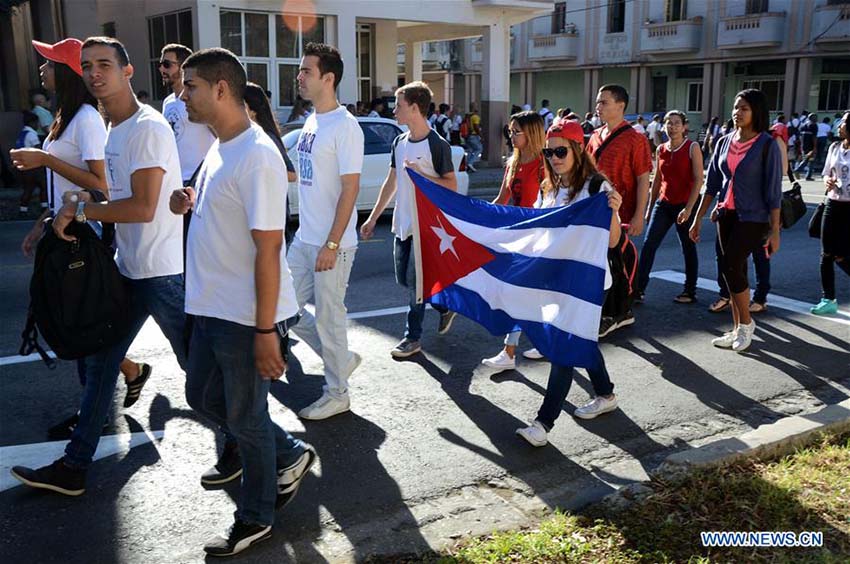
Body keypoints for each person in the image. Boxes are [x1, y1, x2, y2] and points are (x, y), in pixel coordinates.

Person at [9, 36, 192, 495]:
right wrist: (60, 212)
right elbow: (110, 193)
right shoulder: (115, 127)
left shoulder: (147, 128)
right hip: (128, 265)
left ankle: (274, 448)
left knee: (200, 370)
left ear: (128, 71)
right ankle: (75, 466)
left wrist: (82, 211)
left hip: (159, 271)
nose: (94, 73)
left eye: (104, 65)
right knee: (100, 361)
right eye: (88, 65)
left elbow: (144, 207)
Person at [168, 47, 315, 557]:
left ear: (221, 89)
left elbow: (269, 248)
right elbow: (220, 209)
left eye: (190, 86)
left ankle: (255, 517)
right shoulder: (219, 145)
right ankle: (290, 452)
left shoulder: (256, 154)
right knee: (202, 397)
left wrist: (265, 330)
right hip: (209, 306)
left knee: (247, 418)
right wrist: (186, 199)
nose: (182, 94)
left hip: (244, 315)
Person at [9, 37, 151, 439]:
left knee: (82, 322)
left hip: (85, 234)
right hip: (64, 227)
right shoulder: (66, 116)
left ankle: (94, 412)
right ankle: (111, 390)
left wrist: (46, 159)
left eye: (50, 63)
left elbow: (100, 183)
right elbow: (62, 183)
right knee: (80, 324)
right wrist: (43, 217)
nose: (42, 70)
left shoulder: (87, 117)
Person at [515, 117, 622, 447]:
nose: (554, 157)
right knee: (582, 341)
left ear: (577, 149)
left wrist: (614, 212)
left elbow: (613, 241)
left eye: (561, 150)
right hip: (557, 281)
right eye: (549, 152)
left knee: (563, 348)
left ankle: (543, 423)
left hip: (586, 285)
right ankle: (605, 394)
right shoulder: (550, 187)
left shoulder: (595, 188)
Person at [289, 42, 363, 420]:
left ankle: (337, 392)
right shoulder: (312, 119)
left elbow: (350, 189)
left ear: (328, 78)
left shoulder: (345, 127)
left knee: (329, 318)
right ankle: (342, 356)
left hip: (331, 244)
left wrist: (332, 243)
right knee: (282, 311)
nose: (299, 77)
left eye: (306, 71)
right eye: (300, 70)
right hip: (303, 240)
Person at [360, 81, 458, 358]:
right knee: (404, 280)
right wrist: (372, 218)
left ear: (414, 108)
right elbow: (390, 182)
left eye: (399, 106)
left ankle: (411, 338)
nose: (394, 111)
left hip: (427, 228)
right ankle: (444, 304)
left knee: (415, 285)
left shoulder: (437, 145)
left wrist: (420, 175)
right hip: (402, 224)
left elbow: (450, 185)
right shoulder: (399, 142)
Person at [689, 89, 782, 353]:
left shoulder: (767, 145)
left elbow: (774, 192)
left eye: (744, 108)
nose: (737, 113)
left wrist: (775, 231)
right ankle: (736, 328)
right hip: (725, 215)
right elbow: (712, 185)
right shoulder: (723, 141)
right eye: (735, 107)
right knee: (730, 271)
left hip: (753, 217)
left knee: (731, 265)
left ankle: (747, 325)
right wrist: (697, 218)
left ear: (756, 113)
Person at [482, 110, 549, 369]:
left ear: (531, 133)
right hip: (518, 238)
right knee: (527, 295)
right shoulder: (513, 162)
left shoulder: (546, 162)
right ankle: (537, 345)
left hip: (539, 239)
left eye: (516, 131)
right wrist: (478, 219)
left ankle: (510, 352)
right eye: (509, 131)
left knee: (521, 294)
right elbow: (501, 200)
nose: (511, 136)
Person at [586, 84, 652, 335]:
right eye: (598, 102)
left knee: (616, 262)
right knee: (600, 262)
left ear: (620, 106)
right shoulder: (594, 136)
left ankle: (619, 312)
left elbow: (643, 178)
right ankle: (605, 309)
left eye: (603, 102)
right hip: (596, 211)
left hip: (621, 214)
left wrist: (638, 215)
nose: (598, 107)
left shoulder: (636, 139)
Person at [635, 110, 703, 303]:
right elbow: (657, 180)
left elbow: (698, 180)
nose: (672, 127)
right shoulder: (661, 149)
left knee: (687, 247)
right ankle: (638, 290)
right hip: (663, 204)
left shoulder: (692, 147)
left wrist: (689, 208)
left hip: (685, 204)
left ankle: (689, 291)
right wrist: (649, 208)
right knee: (649, 245)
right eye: (669, 123)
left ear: (684, 127)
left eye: (676, 123)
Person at [244, 82, 297, 245]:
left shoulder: (266, 138)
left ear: (252, 110)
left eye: (240, 104)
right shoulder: (245, 137)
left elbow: (291, 174)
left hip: (270, 222)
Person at [159, 43, 215, 186]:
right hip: (174, 180)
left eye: (167, 64)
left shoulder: (198, 99)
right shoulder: (168, 102)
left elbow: (219, 135)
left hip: (198, 180)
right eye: (161, 64)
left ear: (182, 66)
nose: (161, 69)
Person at [811, 112, 850, 316]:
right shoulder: (835, 147)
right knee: (826, 253)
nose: (839, 125)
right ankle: (828, 298)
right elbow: (826, 171)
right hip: (832, 203)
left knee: (842, 255)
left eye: (843, 122)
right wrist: (827, 180)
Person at [14, 111, 46, 214]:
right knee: (44, 186)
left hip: (24, 165)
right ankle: (44, 207)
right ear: (33, 123)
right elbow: (38, 149)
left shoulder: (22, 133)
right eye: (37, 123)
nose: (38, 125)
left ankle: (23, 210)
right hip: (34, 165)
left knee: (28, 188)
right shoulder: (32, 134)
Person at [795, 113, 819, 181]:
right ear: (812, 118)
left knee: (809, 159)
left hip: (803, 144)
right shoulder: (814, 125)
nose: (816, 119)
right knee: (809, 159)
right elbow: (814, 137)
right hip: (810, 144)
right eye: (815, 117)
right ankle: (798, 169)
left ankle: (808, 175)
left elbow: (800, 136)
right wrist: (815, 146)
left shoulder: (803, 125)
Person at [464, 102, 483, 172]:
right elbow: (476, 127)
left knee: (470, 150)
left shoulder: (467, 116)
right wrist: (481, 136)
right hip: (473, 136)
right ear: (474, 108)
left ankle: (467, 165)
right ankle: (470, 163)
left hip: (467, 136)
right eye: (476, 106)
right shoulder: (475, 117)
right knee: (479, 149)